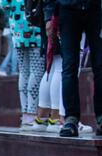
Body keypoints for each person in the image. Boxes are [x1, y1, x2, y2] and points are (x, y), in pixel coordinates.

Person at [44, 0, 102, 137]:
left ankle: (100, 117)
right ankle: (71, 119)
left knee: (100, 65)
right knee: (69, 66)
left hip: (96, 9)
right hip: (67, 9)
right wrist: (48, 16)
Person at [0, 0, 43, 130]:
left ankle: (26, 114)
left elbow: (3, 4)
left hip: (17, 30)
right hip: (35, 29)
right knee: (36, 71)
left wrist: (14, 12)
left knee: (24, 72)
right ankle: (32, 113)